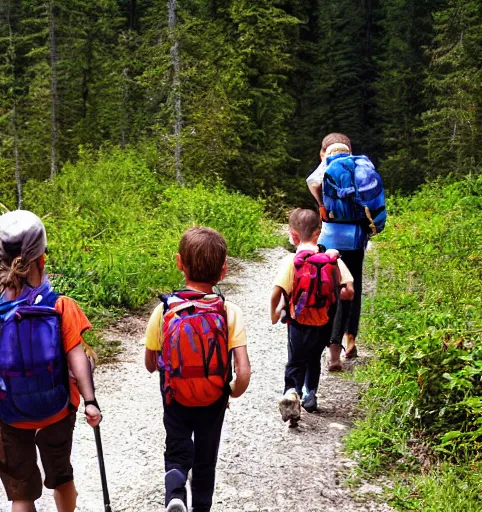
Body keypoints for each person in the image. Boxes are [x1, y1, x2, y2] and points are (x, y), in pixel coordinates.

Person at [0, 210, 102, 512]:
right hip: (57, 410)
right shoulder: (61, 306)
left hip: (8, 414)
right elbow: (77, 357)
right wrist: (91, 400)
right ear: (42, 259)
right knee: (61, 477)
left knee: (22, 494)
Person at [144, 226, 251, 512]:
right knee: (205, 457)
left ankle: (175, 493)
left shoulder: (165, 310)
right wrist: (230, 391)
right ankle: (201, 506)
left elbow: (150, 364)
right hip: (213, 398)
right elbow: (243, 371)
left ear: (180, 263)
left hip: (175, 395)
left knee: (177, 448)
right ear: (224, 269)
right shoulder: (228, 311)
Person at [270, 209, 354, 426]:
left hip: (298, 322)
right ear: (319, 232)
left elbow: (276, 292)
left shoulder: (293, 260)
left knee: (295, 359)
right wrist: (332, 295)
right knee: (313, 359)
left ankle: (292, 393)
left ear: (293, 235)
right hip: (324, 321)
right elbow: (349, 291)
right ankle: (310, 395)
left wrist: (274, 314)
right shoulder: (332, 259)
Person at [307, 133, 369, 371]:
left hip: (330, 238)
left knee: (331, 287)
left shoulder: (324, 169)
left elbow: (312, 184)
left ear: (323, 152)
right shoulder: (358, 167)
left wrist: (322, 206)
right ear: (349, 150)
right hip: (355, 239)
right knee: (354, 286)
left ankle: (331, 344)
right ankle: (350, 339)